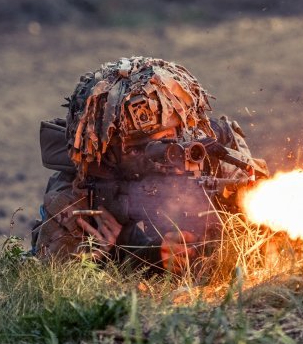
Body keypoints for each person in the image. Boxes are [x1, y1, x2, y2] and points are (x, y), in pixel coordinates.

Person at [32, 57, 268, 273]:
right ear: (107, 150)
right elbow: (51, 278)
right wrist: (126, 252)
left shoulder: (212, 157)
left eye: (171, 138)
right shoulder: (82, 192)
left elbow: (262, 251)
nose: (164, 155)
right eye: (137, 148)